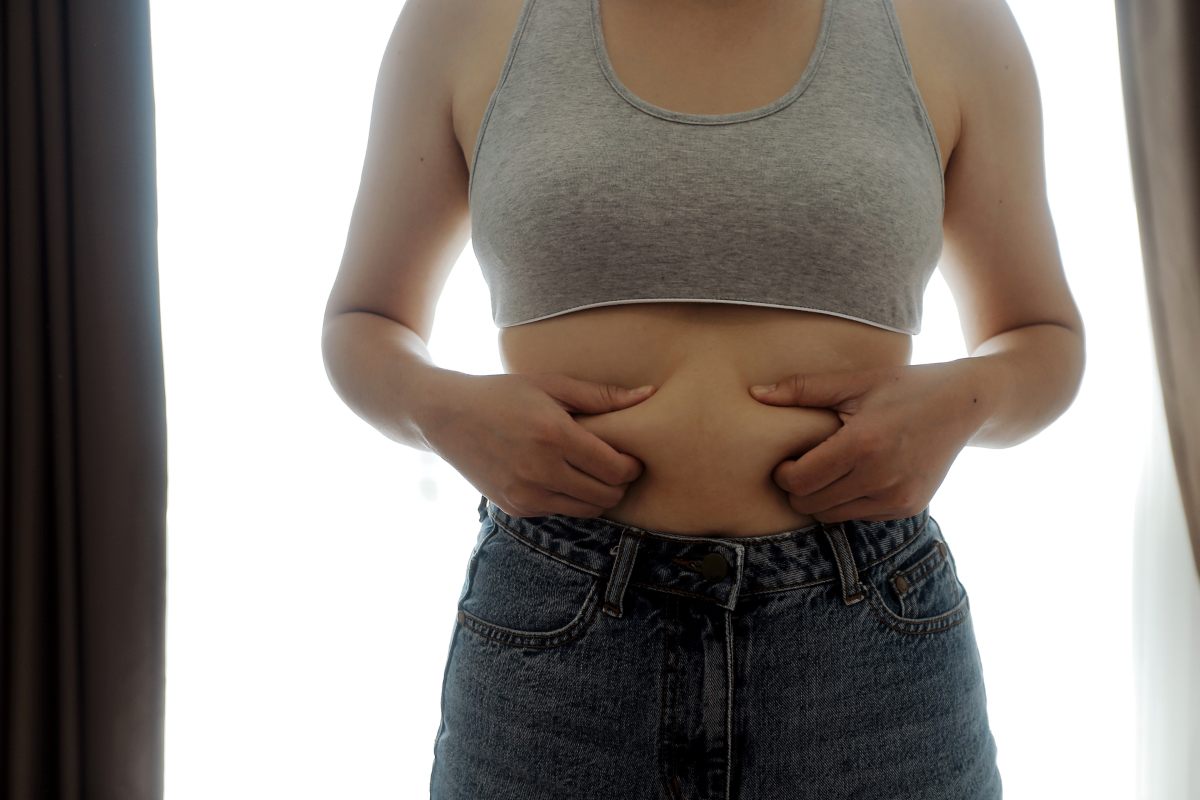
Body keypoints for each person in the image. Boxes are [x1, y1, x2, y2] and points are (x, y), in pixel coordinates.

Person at [321, 0, 1085, 796]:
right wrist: (441, 408)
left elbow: (1042, 336)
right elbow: (363, 321)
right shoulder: (468, 16)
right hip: (557, 638)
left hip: (867, 647)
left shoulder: (951, 20)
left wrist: (960, 402)